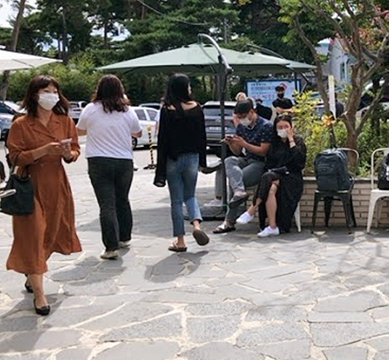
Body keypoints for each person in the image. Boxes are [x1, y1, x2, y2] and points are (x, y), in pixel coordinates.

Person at [5, 75, 82, 316]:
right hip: (29, 185)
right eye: (45, 90)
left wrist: (68, 153)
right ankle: (40, 294)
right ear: (35, 95)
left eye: (54, 90)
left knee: (51, 233)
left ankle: (32, 274)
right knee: (34, 235)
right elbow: (15, 157)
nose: (51, 94)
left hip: (56, 184)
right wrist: (43, 150)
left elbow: (75, 150)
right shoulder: (21, 124)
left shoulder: (65, 121)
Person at [76, 75, 142, 260]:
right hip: (124, 161)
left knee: (107, 204)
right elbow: (138, 131)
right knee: (122, 199)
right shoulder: (128, 111)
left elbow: (79, 130)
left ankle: (110, 247)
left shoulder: (90, 109)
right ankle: (125, 237)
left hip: (98, 160)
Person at [153, 74, 210, 252]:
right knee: (190, 195)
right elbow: (202, 136)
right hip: (192, 158)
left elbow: (163, 140)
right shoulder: (197, 108)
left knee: (176, 201)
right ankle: (197, 226)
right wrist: (203, 161)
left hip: (173, 159)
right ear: (185, 88)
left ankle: (180, 241)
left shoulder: (167, 109)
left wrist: (160, 168)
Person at [236, 114, 307, 237]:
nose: (283, 129)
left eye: (286, 126)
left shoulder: (298, 141)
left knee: (268, 178)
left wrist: (291, 140)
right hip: (276, 175)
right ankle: (273, 226)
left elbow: (299, 162)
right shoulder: (274, 144)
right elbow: (270, 163)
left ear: (291, 127)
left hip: (292, 178)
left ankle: (252, 210)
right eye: (280, 127)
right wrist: (276, 176)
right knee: (271, 187)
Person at [213, 99, 274, 234]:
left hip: (261, 162)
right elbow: (237, 152)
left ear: (252, 112)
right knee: (229, 160)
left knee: (234, 181)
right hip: (247, 158)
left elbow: (263, 151)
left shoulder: (266, 126)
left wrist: (243, 143)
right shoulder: (241, 127)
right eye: (238, 117)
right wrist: (231, 143)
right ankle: (239, 192)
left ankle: (229, 221)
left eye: (243, 117)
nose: (241, 120)